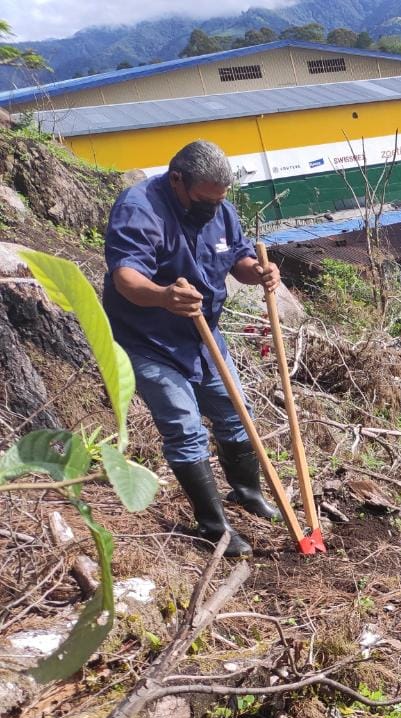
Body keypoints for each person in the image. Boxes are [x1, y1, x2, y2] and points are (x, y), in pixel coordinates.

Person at [104, 140, 282, 559]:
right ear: (177, 179)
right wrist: (164, 295)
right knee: (185, 428)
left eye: (219, 201)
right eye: (204, 200)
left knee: (235, 412)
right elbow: (126, 276)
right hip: (148, 340)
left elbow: (235, 255)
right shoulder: (139, 208)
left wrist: (257, 272)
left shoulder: (219, 205)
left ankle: (247, 494)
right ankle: (214, 526)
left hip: (203, 336)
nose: (212, 208)